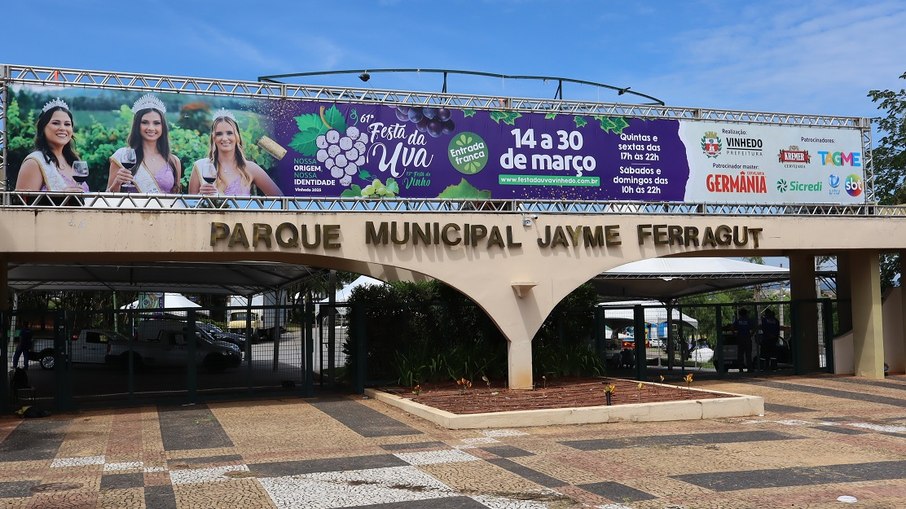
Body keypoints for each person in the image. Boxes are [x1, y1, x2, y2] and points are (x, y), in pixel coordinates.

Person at [188, 109, 283, 196]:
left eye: (229, 133)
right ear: (214, 138)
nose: (225, 138)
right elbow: (190, 209)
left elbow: (280, 199)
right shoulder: (201, 167)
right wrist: (200, 195)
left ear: (237, 136)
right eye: (219, 134)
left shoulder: (250, 168)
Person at [107, 94, 182, 193]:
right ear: (137, 125)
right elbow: (108, 198)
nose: (151, 128)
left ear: (163, 126)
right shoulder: (123, 156)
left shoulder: (173, 161)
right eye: (145, 122)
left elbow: (175, 198)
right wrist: (117, 183)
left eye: (156, 123)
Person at [15, 99, 88, 192]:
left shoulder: (73, 161)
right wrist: (61, 198)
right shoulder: (34, 163)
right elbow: (21, 204)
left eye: (67, 124)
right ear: (43, 128)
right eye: (55, 123)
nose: (62, 128)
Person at [727, 308, 755, 373]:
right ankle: (749, 368)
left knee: (740, 355)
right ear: (746, 313)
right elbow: (754, 327)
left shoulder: (738, 320)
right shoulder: (748, 320)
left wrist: (735, 334)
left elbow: (732, 327)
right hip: (747, 338)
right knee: (748, 354)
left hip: (740, 339)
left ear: (740, 314)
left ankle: (741, 369)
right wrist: (751, 334)